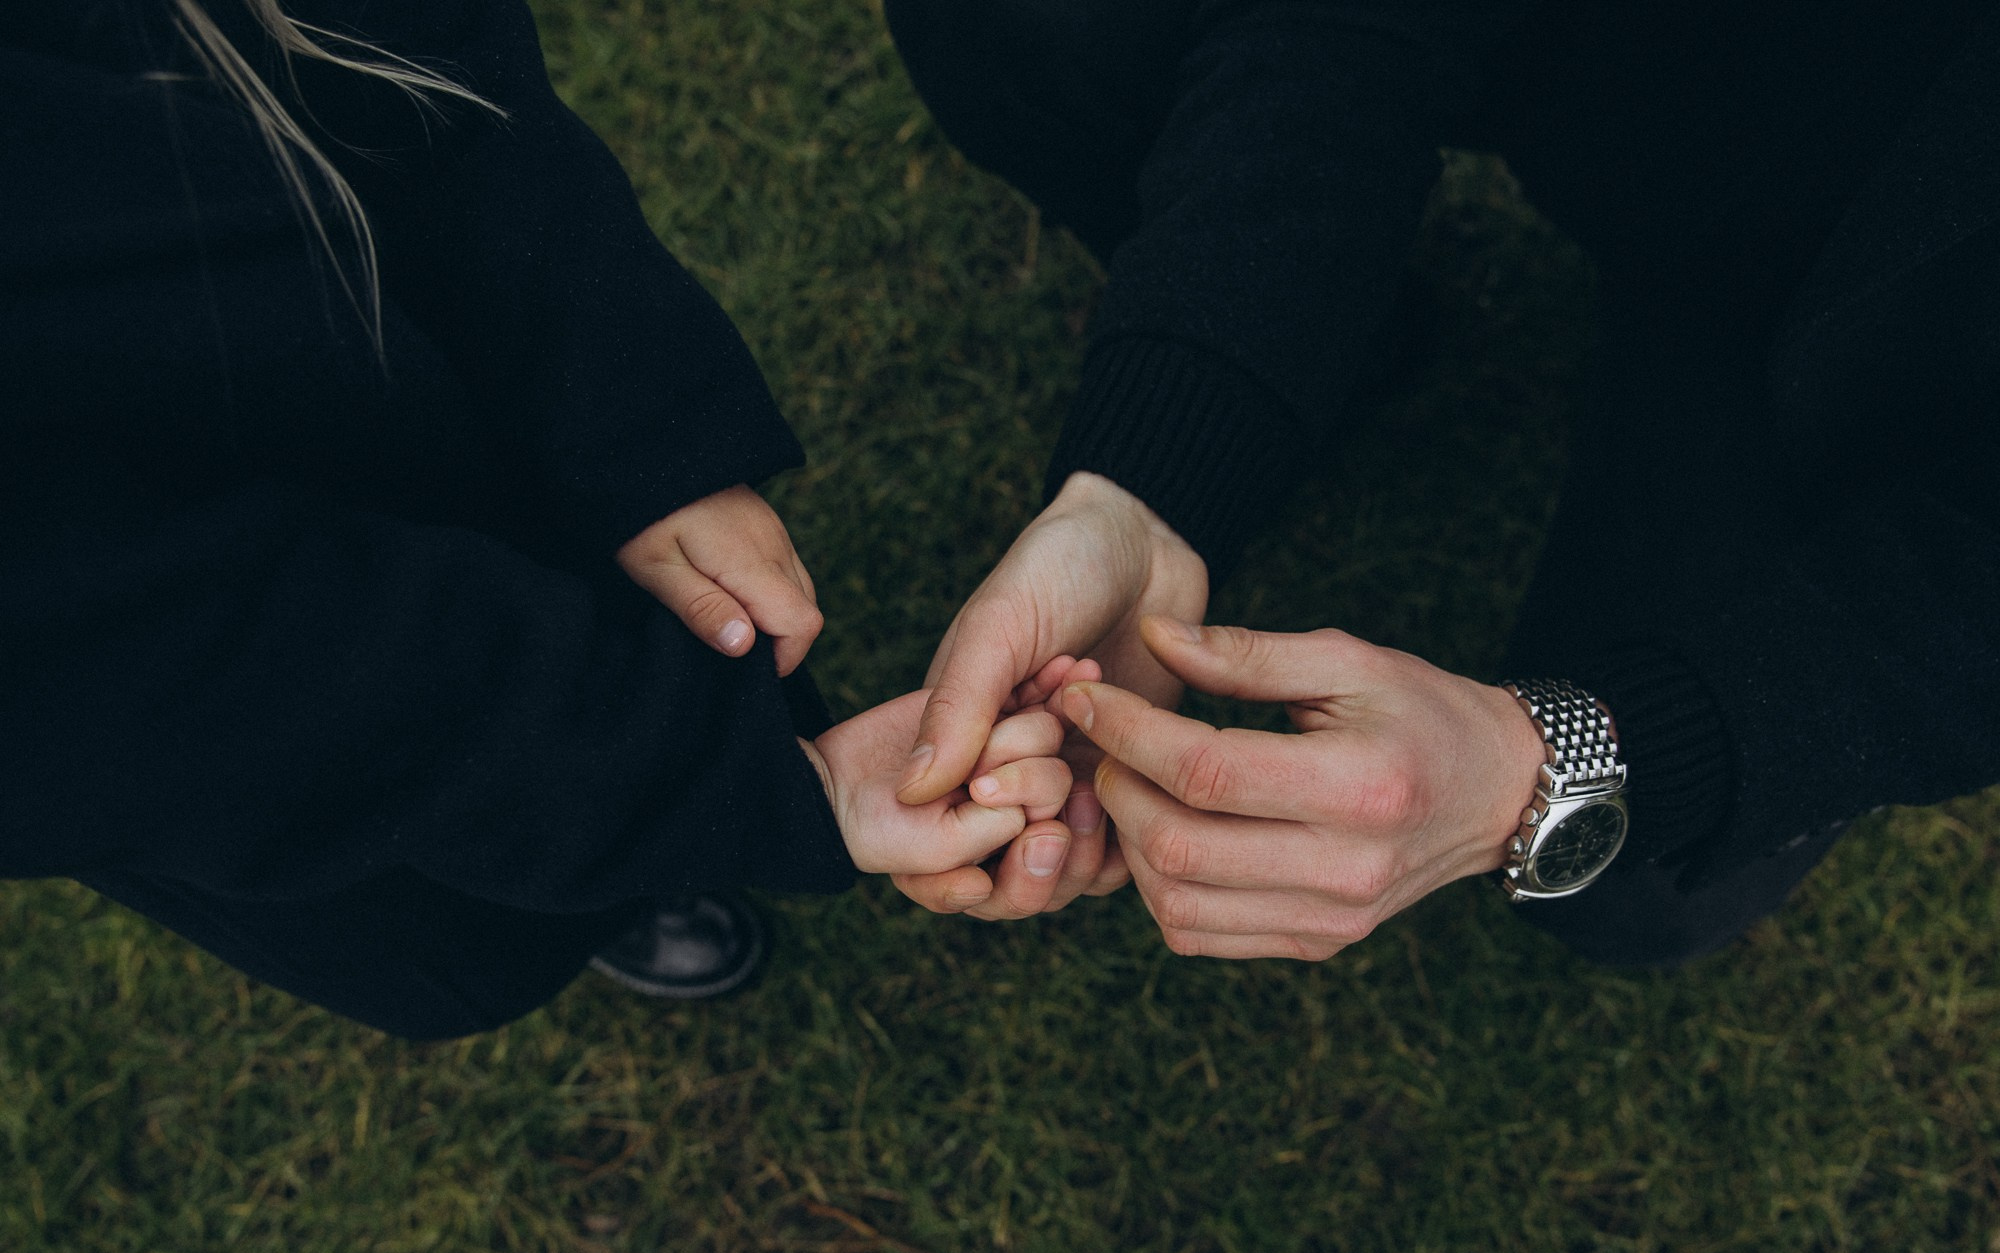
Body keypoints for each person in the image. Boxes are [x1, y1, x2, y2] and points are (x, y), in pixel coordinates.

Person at [0, 0, 1081, 1040]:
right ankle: (632, 853)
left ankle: (666, 813)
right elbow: (186, 685)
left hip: (440, 397)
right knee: (465, 913)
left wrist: (642, 436)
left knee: (683, 641)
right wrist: (724, 780)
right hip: (281, 743)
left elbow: (425, 61)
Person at [882, 0, 2000, 962]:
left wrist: (1554, 757)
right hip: (1618, 69)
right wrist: (1147, 479)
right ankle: (1335, 351)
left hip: (1906, 396)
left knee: (1626, 878)